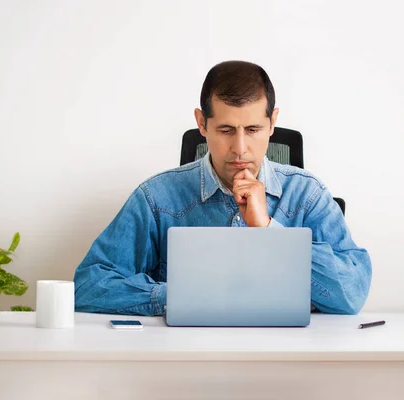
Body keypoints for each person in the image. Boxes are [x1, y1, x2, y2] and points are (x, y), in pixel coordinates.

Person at [73, 60, 372, 315]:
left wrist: (268, 230)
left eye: (253, 130)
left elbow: (352, 293)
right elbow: (88, 285)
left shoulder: (308, 196)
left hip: (286, 361)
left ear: (272, 123)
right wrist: (179, 297)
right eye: (226, 130)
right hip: (186, 363)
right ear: (202, 124)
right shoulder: (156, 198)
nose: (240, 149)